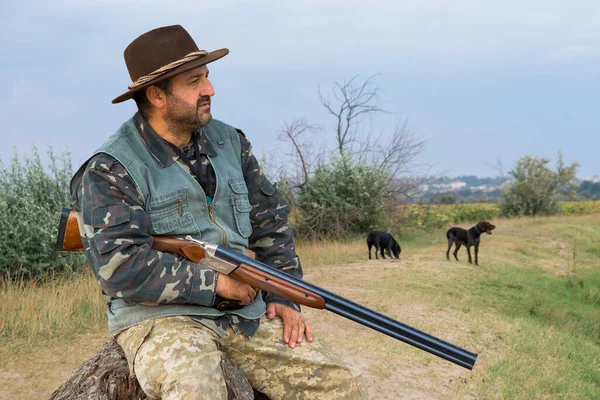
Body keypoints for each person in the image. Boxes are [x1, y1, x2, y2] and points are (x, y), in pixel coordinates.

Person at [70, 25, 367, 399]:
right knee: (196, 388)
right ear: (156, 95)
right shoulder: (111, 169)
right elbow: (120, 268)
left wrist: (285, 296)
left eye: (207, 78)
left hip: (243, 313)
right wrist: (218, 286)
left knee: (339, 384)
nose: (210, 90)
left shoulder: (230, 143)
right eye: (195, 82)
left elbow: (270, 222)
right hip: (161, 319)